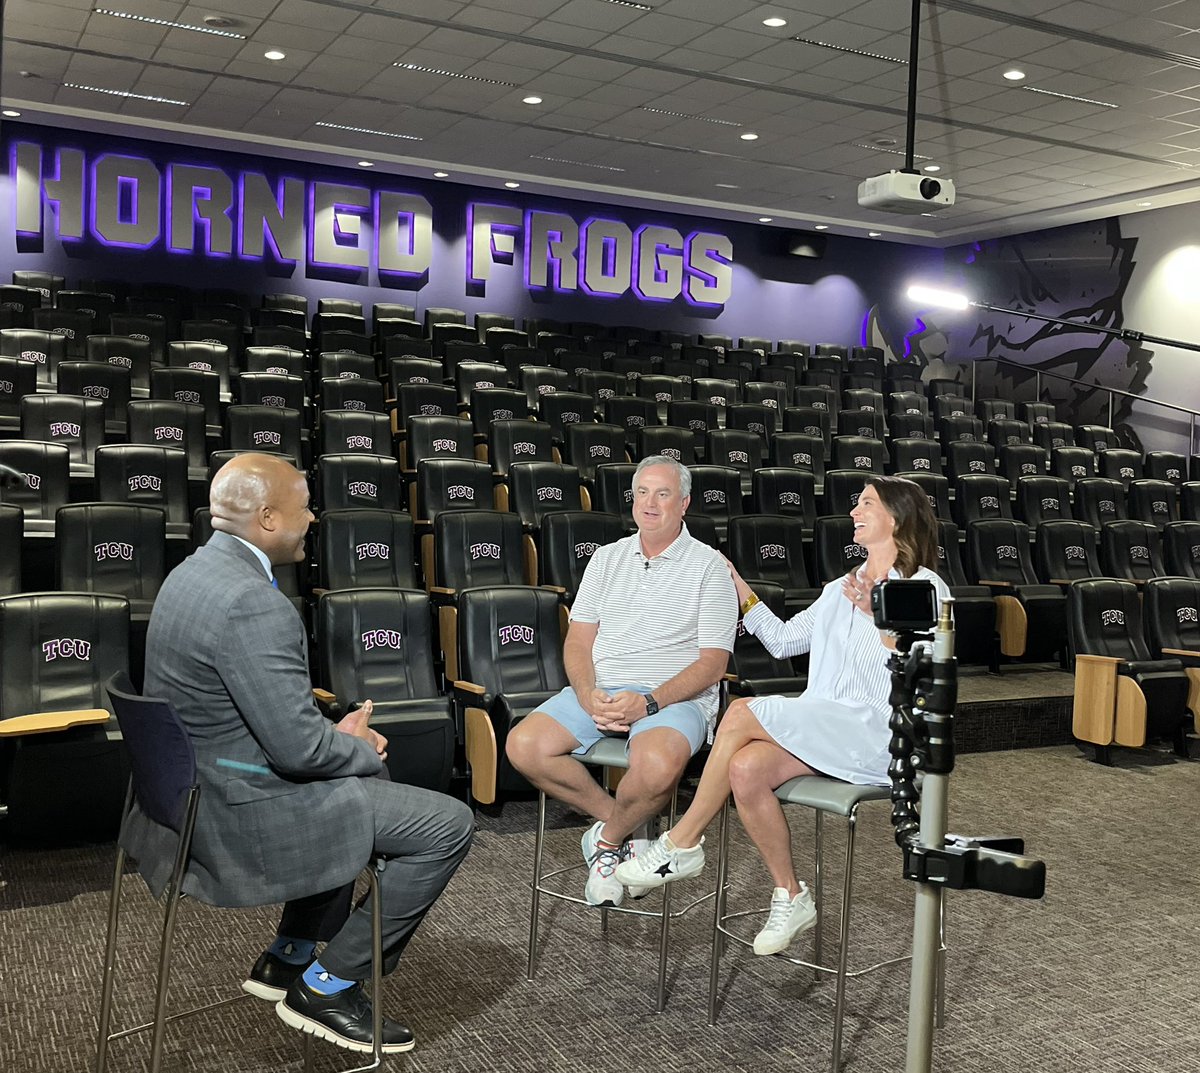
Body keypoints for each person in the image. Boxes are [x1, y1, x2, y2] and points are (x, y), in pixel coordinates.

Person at [120, 454, 473, 1054]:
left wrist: (338, 740)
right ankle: (329, 986)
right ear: (267, 518)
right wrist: (356, 743)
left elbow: (257, 717)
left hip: (191, 792)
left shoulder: (190, 573)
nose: (313, 518)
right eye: (304, 506)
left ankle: (287, 956)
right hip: (236, 811)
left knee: (353, 779)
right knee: (447, 824)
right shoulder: (254, 603)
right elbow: (302, 752)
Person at [616, 475, 950, 955]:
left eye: (866, 503)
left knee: (742, 711)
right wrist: (736, 585)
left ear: (896, 518)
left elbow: (929, 670)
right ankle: (791, 895)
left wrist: (880, 619)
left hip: (882, 734)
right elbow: (783, 641)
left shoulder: (925, 586)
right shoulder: (842, 587)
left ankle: (682, 841)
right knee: (745, 768)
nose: (854, 511)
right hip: (827, 723)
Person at [505, 455, 737, 907]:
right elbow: (577, 642)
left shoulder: (710, 567)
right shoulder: (606, 559)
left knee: (656, 766)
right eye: (643, 492)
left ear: (684, 503)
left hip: (671, 698)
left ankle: (607, 843)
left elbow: (712, 663)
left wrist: (648, 703)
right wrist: (588, 692)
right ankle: (623, 826)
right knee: (523, 746)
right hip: (603, 689)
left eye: (663, 493)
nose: (650, 503)